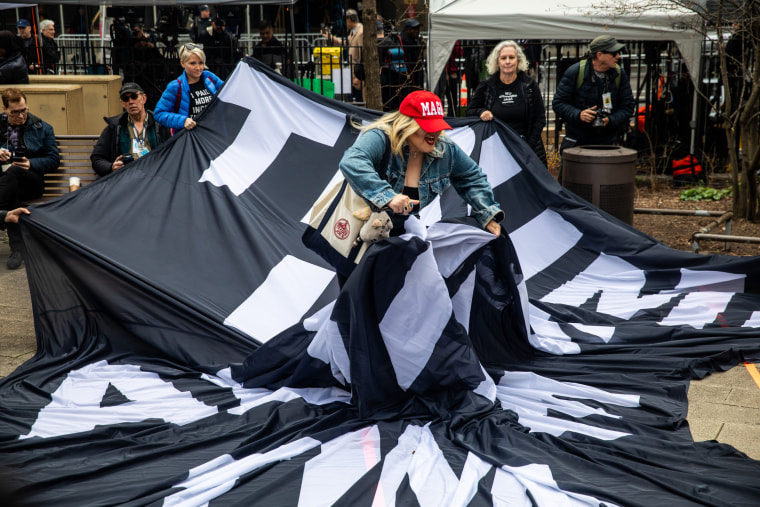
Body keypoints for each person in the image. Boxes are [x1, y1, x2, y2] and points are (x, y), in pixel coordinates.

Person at [339, 89, 503, 239]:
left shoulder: (445, 149)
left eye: (437, 126)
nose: (435, 133)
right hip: (361, 234)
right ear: (408, 124)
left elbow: (472, 178)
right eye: (427, 126)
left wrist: (486, 214)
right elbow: (352, 161)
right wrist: (388, 197)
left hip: (403, 236)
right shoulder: (382, 137)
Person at [0, 88, 59, 269]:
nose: (21, 116)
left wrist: (31, 163)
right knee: (13, 189)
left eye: (23, 110)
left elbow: (53, 159)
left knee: (15, 172)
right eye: (15, 112)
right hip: (7, 184)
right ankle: (18, 249)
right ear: (5, 109)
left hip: (32, 181)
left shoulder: (42, 127)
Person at [467, 40, 547, 166]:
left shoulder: (530, 85)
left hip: (526, 150)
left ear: (518, 60)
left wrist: (527, 146)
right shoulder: (487, 85)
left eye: (511, 57)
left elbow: (540, 118)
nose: (508, 61)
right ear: (497, 62)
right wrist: (482, 112)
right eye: (503, 58)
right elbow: (470, 111)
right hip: (495, 151)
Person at [552, 35, 635, 153]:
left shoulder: (619, 74)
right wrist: (579, 115)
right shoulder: (575, 71)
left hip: (608, 143)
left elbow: (628, 106)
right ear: (599, 55)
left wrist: (610, 120)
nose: (618, 56)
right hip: (576, 143)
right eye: (614, 53)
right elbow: (558, 103)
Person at [90, 82, 171, 177]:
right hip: (126, 177)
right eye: (126, 99)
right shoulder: (115, 127)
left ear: (144, 98)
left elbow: (172, 153)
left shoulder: (160, 124)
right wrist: (111, 167)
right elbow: (97, 159)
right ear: (122, 103)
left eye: (134, 97)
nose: (131, 101)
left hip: (154, 176)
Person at [154, 44, 224, 132]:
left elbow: (230, 91)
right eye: (193, 63)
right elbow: (159, 114)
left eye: (201, 63)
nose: (198, 68)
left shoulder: (209, 77)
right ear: (182, 63)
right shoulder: (175, 86)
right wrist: (183, 121)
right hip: (189, 139)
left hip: (213, 135)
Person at [321, 9, 363, 102]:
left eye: (346, 21)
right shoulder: (353, 32)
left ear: (349, 19)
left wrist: (359, 76)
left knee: (360, 99)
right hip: (354, 72)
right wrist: (330, 37)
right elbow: (345, 43)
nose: (346, 23)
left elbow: (362, 55)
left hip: (358, 73)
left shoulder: (360, 33)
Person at [400, 18, 425, 93]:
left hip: (416, 75)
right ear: (407, 29)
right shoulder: (403, 41)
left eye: (418, 29)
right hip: (409, 76)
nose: (417, 31)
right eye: (414, 29)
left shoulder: (415, 40)